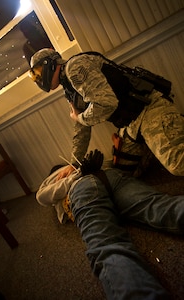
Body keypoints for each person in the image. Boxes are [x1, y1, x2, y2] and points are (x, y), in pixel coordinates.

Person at [36, 150, 184, 300]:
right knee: (160, 207)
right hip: (110, 177)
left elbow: (42, 197)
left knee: (106, 245)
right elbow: (110, 163)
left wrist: (78, 170)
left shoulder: (54, 177)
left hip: (84, 187)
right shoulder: (68, 170)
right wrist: (80, 170)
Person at [29, 48, 184, 178]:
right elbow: (81, 128)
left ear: (49, 63)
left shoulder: (74, 68)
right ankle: (155, 143)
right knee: (125, 175)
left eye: (38, 72)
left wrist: (81, 117)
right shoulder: (69, 89)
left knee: (177, 164)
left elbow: (107, 103)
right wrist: (74, 163)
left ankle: (171, 131)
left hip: (149, 109)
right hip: (131, 123)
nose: (39, 78)